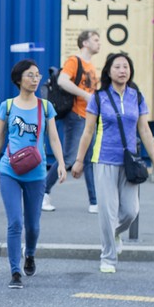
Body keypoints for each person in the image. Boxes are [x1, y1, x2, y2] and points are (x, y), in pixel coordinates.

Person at [72, 53, 154, 273]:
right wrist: (78, 161)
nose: (122, 70)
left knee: (131, 211)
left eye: (126, 66)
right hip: (103, 158)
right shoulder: (98, 97)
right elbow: (88, 132)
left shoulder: (137, 97)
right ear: (108, 71)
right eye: (117, 67)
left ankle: (113, 234)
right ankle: (108, 257)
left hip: (129, 161)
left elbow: (144, 130)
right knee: (107, 211)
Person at [0, 60, 66, 289]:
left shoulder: (45, 106)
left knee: (33, 225)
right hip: (10, 170)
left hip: (36, 173)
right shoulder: (8, 106)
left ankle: (29, 254)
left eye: (37, 75)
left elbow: (53, 137)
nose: (35, 78)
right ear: (19, 79)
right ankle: (15, 271)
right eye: (30, 75)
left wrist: (60, 163)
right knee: (15, 222)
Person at [43, 29, 101, 214]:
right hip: (76, 116)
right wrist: (85, 95)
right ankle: (42, 193)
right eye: (95, 39)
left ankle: (94, 202)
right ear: (85, 43)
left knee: (90, 159)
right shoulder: (74, 61)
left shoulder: (91, 65)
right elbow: (62, 80)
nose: (99, 43)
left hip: (88, 117)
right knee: (68, 157)